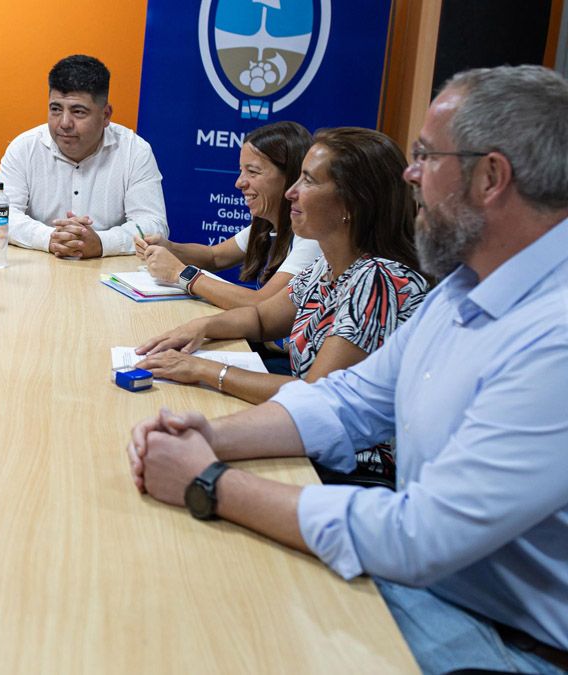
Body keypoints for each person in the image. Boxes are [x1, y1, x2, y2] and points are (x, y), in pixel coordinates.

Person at [127, 65, 568, 674]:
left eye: (426, 157)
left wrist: (211, 483)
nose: (410, 177)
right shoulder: (462, 290)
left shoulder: (556, 335)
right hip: (436, 592)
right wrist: (210, 437)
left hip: (504, 643)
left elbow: (420, 535)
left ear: (491, 177)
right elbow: (348, 400)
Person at [135, 127, 428, 484]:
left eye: (307, 181)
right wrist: (200, 328)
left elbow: (315, 397)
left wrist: (204, 370)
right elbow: (262, 317)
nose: (291, 192)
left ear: (351, 203)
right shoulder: (328, 264)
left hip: (353, 466)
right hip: (309, 439)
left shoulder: (379, 280)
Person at [0, 54, 167, 259]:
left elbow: (153, 225)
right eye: (56, 109)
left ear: (106, 115)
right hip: (37, 273)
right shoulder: (24, 148)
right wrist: (50, 238)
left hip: (108, 277)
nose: (64, 123)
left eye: (78, 112)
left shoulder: (134, 151)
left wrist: (101, 243)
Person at [134, 121, 321, 309]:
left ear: (291, 177)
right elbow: (215, 256)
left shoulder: (311, 236)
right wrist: (169, 247)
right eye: (241, 170)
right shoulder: (266, 223)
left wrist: (180, 273)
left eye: (253, 172)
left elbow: (263, 305)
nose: (239, 183)